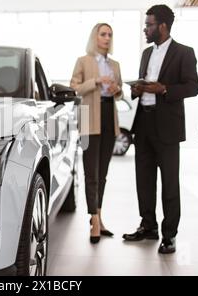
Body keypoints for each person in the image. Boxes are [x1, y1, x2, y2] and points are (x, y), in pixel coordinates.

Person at [122, 5, 198, 253]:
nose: (145, 29)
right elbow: (142, 83)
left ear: (162, 26)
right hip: (143, 124)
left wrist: (164, 88)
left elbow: (192, 87)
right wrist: (137, 90)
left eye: (149, 24)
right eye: (146, 24)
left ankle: (169, 235)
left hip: (167, 126)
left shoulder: (184, 53)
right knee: (143, 180)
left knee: (169, 183)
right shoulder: (146, 53)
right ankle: (148, 226)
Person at [70, 23, 123, 244]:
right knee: (91, 173)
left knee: (103, 173)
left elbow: (119, 93)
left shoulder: (115, 64)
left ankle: (99, 218)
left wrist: (115, 90)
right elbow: (74, 87)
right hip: (89, 118)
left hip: (109, 117)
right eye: (103, 34)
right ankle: (93, 220)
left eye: (110, 34)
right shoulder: (83, 61)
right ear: (95, 37)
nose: (107, 38)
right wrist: (97, 81)